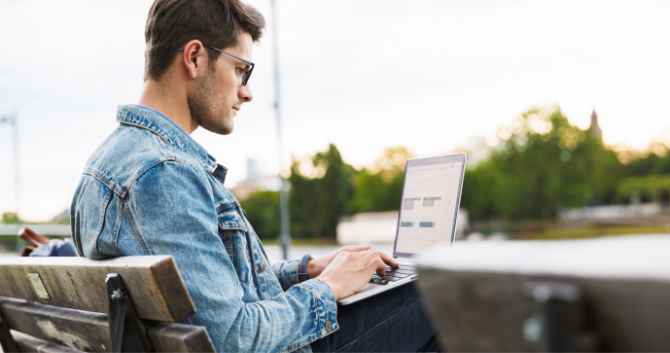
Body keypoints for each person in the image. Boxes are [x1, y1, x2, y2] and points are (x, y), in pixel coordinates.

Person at [70, 0, 440, 352]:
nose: (246, 92)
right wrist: (329, 287)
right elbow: (233, 339)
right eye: (240, 70)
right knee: (445, 296)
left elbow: (214, 296)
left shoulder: (105, 165)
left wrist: (308, 271)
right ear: (194, 57)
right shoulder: (163, 176)